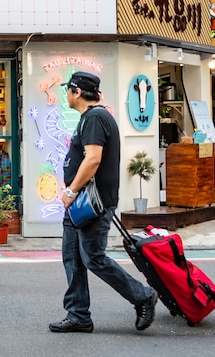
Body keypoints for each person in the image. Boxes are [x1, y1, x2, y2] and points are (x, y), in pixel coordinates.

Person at [50, 71, 157, 334]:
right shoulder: (91, 117)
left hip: (90, 203)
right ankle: (78, 315)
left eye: (68, 90)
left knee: (93, 258)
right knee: (73, 258)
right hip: (80, 205)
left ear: (77, 92)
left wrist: (72, 191)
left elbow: (93, 159)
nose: (66, 95)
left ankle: (142, 295)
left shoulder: (96, 117)